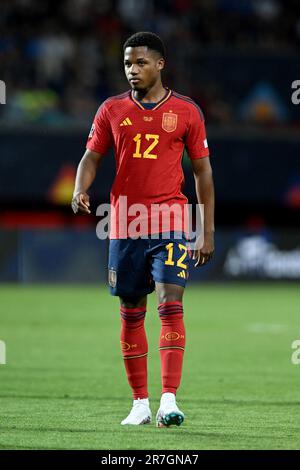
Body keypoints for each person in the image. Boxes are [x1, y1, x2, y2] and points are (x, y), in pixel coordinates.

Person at [71, 32, 215, 427]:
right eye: (127, 64)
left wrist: (206, 230)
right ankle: (140, 403)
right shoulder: (111, 109)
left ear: (160, 64)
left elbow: (203, 171)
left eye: (140, 63)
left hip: (170, 221)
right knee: (131, 311)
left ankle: (169, 399)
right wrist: (80, 187)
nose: (132, 70)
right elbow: (91, 156)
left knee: (171, 305)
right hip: (125, 223)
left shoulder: (186, 111)